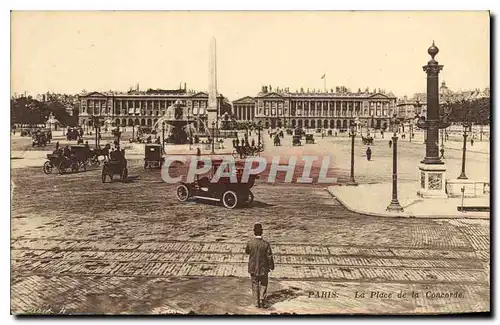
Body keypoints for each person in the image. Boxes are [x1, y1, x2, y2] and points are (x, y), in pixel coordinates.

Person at [245, 223, 274, 308]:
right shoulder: (266, 244)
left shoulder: (250, 243)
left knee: (255, 284)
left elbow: (247, 252)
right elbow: (269, 256)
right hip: (263, 268)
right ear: (262, 232)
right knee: (264, 284)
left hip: (253, 268)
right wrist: (271, 266)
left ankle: (256, 303)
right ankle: (262, 300)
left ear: (254, 232)